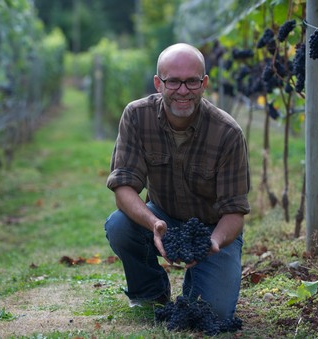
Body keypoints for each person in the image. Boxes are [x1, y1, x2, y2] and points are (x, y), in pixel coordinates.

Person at [104, 43, 250, 321]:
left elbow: (234, 212)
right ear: (159, 83)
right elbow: (124, 187)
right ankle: (150, 292)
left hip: (213, 228)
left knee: (213, 314)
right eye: (173, 81)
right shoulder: (136, 117)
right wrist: (154, 224)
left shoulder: (228, 133)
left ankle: (199, 279)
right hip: (162, 217)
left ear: (204, 83)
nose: (183, 90)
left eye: (192, 81)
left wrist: (214, 241)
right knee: (119, 226)